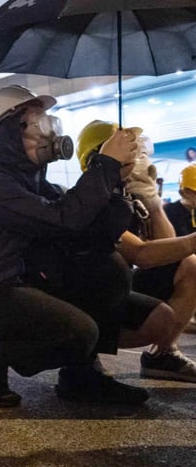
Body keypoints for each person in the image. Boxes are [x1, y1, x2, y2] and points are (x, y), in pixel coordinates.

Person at [0, 84, 147, 409]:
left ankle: (82, 379)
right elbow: (64, 219)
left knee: (108, 268)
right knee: (80, 332)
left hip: (25, 287)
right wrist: (104, 165)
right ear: (9, 133)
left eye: (48, 123)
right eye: (36, 126)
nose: (47, 134)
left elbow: (91, 236)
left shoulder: (40, 185)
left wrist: (118, 182)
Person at [76, 121, 196, 382]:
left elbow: (168, 249)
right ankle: (83, 356)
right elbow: (142, 253)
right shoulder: (90, 200)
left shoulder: (127, 196)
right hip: (89, 296)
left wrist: (151, 201)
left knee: (189, 265)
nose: (140, 158)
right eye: (131, 150)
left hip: (118, 285)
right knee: (158, 317)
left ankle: (163, 355)